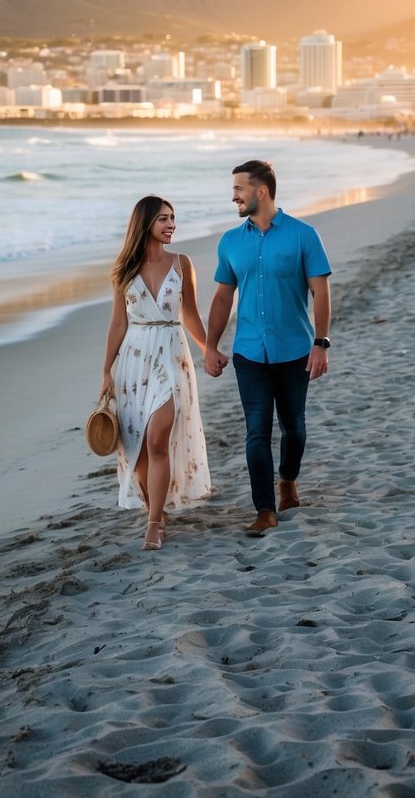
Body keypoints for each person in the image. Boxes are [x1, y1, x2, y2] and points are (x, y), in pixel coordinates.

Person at [204, 160, 332, 536]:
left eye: (239, 189)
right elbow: (223, 298)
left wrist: (321, 343)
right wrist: (211, 346)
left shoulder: (304, 235)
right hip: (249, 354)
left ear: (261, 191)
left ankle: (288, 480)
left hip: (294, 350)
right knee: (256, 431)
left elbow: (320, 291)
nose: (233, 196)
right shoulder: (230, 241)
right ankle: (265, 510)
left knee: (294, 429)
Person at [100, 196, 211, 550]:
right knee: (139, 449)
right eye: (164, 218)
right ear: (145, 223)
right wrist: (106, 371)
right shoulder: (123, 270)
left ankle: (152, 525)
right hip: (133, 360)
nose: (171, 224)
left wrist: (209, 350)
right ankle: (156, 511)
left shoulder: (182, 264)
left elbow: (190, 315)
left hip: (170, 353)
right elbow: (118, 323)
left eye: (173, 218)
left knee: (157, 439)